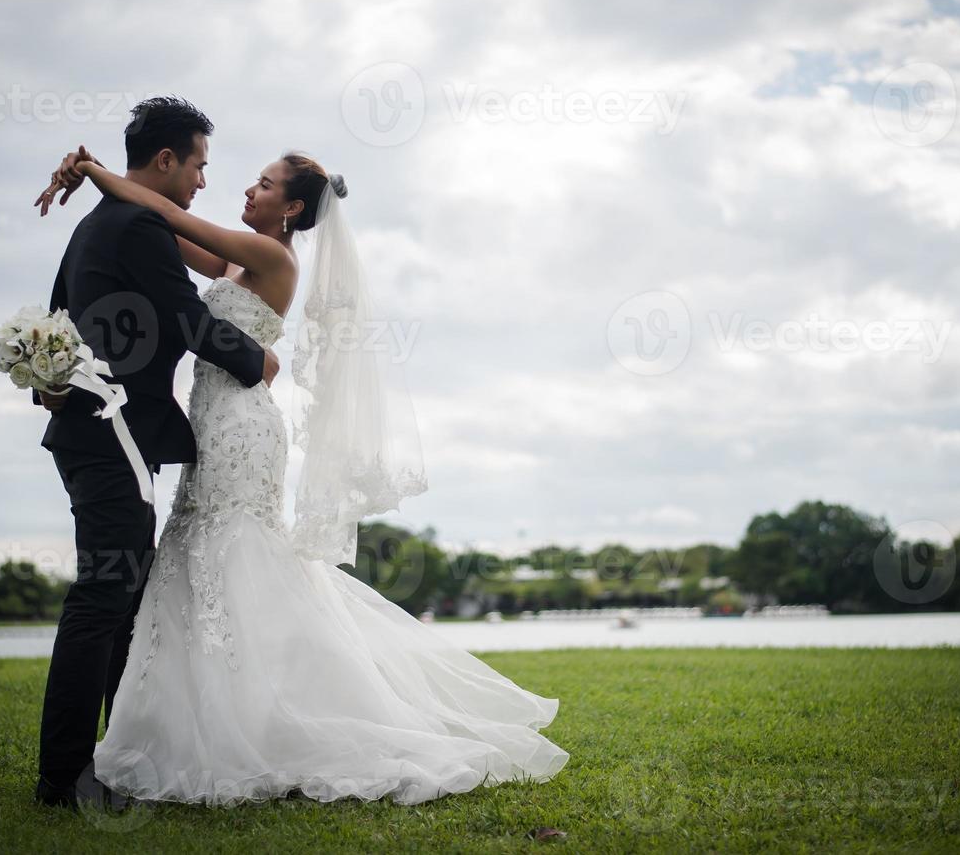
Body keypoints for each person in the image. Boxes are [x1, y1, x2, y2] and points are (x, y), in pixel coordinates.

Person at [33, 143, 569, 806]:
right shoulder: (236, 257)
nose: (246, 191)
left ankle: (285, 714)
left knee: (237, 553)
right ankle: (191, 724)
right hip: (211, 418)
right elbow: (158, 233)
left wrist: (94, 174)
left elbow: (164, 212)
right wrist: (104, 190)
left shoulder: (272, 256)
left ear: (291, 208)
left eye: (263, 185)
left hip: (241, 425)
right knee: (196, 556)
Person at [29, 97, 281, 809]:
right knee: (104, 598)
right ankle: (64, 778)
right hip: (110, 438)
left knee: (126, 601)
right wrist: (255, 362)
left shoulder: (95, 224)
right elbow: (188, 318)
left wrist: (47, 390)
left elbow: (56, 322)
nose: (204, 181)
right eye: (199, 164)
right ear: (166, 159)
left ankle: (118, 762)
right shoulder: (137, 224)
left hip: (91, 434)